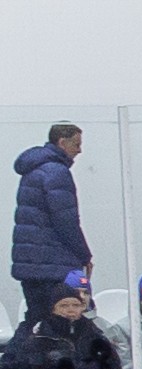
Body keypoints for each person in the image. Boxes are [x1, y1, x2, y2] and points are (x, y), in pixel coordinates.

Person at [12, 122, 90, 321]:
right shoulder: (57, 172)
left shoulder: (32, 170)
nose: (79, 150)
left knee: (36, 323)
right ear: (62, 142)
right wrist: (84, 256)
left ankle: (22, 353)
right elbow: (66, 221)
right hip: (54, 265)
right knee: (59, 323)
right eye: (76, 144)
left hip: (30, 264)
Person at [0, 269, 121, 369]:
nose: (71, 310)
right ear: (53, 309)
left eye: (76, 305)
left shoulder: (96, 335)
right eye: (64, 305)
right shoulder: (35, 336)